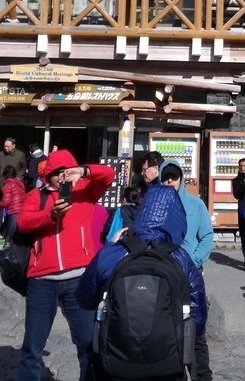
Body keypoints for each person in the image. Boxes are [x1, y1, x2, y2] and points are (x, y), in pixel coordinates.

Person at [75, 185, 207, 381]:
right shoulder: (182, 258)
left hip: (114, 361)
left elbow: (83, 298)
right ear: (177, 220)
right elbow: (198, 320)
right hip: (167, 363)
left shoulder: (110, 253)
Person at [14, 149, 115, 381]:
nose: (62, 176)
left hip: (79, 279)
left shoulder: (86, 191)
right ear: (47, 174)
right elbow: (23, 222)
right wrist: (48, 214)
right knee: (32, 347)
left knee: (88, 346)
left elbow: (109, 175)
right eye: (57, 172)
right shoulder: (36, 196)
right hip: (42, 281)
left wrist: (83, 171)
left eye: (66, 171)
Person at [161, 160, 214, 381]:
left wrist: (191, 262)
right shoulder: (157, 206)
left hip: (191, 275)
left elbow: (207, 237)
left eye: (174, 176)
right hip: (164, 276)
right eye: (166, 177)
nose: (170, 181)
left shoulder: (196, 205)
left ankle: (202, 376)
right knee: (168, 330)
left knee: (197, 332)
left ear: (181, 178)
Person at [0, 165, 26, 242]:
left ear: (4, 175)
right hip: (22, 210)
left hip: (14, 212)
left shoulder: (8, 184)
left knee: (11, 237)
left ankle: (11, 253)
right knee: (18, 236)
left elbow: (6, 203)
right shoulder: (20, 183)